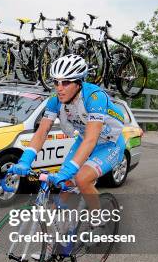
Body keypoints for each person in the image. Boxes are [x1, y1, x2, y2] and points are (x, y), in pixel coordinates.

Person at [8, 54, 126, 201]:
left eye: (66, 83)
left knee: (82, 179)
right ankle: (63, 220)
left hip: (109, 144)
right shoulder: (54, 100)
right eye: (56, 82)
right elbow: (42, 132)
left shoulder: (95, 97)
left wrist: (70, 170)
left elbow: (91, 139)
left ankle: (99, 218)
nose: (59, 88)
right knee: (64, 185)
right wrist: (25, 160)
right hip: (83, 142)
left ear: (79, 83)